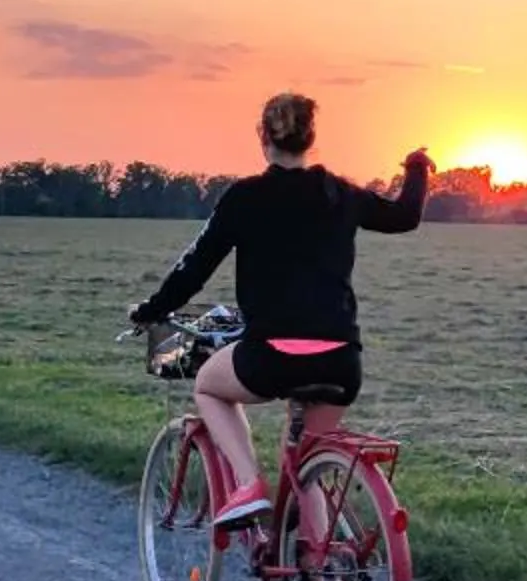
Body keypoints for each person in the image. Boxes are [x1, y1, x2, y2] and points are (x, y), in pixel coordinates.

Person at [128, 92, 430, 528]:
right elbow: (404, 216)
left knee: (208, 387)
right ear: (311, 138)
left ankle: (248, 485)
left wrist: (150, 310)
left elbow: (194, 268)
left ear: (263, 138)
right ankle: (316, 570)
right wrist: (417, 166)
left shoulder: (244, 198)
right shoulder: (340, 194)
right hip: (341, 359)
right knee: (307, 468)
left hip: (271, 356)